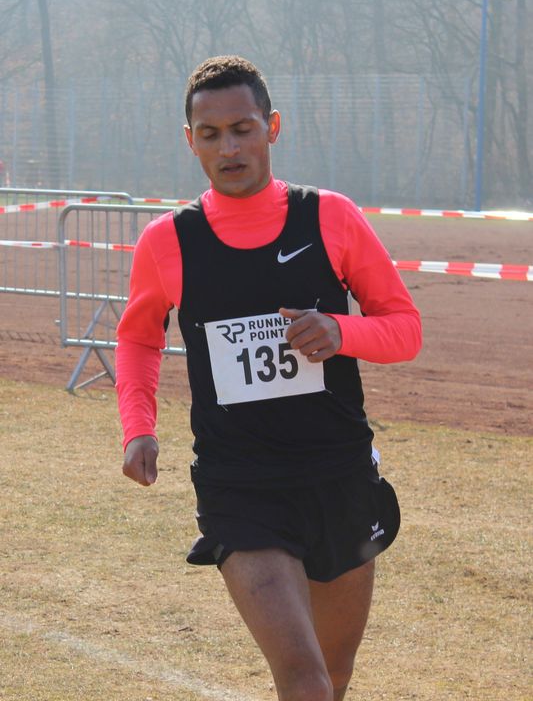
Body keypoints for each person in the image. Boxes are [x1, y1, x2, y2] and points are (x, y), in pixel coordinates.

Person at [116, 55, 422, 701]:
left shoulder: (331, 217)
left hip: (338, 475)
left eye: (242, 129)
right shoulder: (167, 241)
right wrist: (137, 426)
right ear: (190, 140)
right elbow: (139, 336)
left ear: (272, 127)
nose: (228, 148)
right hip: (241, 485)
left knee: (333, 677)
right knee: (304, 680)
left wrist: (340, 331)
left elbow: (404, 328)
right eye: (210, 134)